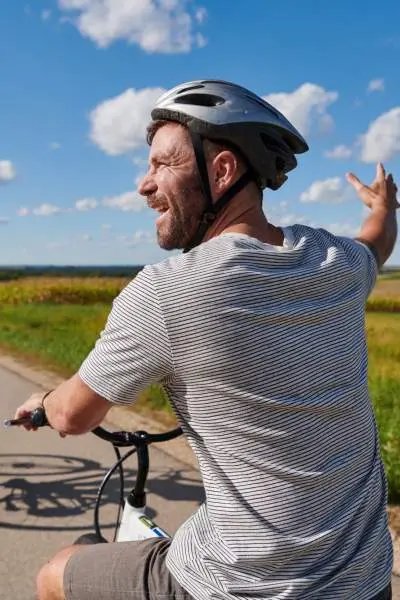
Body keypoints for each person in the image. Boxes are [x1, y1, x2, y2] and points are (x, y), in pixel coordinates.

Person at [15, 80, 398, 600]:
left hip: (238, 587)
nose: (143, 185)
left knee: (55, 573)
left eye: (161, 165)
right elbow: (375, 242)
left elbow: (73, 416)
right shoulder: (335, 261)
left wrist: (42, 401)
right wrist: (385, 208)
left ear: (222, 170)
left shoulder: (166, 292)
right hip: (365, 580)